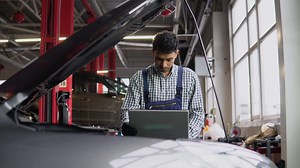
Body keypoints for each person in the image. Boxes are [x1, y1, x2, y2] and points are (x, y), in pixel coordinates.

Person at [120, 30, 204, 139]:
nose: (164, 65)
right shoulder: (139, 78)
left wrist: (185, 135)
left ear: (176, 54)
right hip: (145, 143)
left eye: (169, 60)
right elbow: (127, 110)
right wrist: (127, 124)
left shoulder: (190, 77)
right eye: (159, 59)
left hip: (180, 144)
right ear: (153, 52)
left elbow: (197, 112)